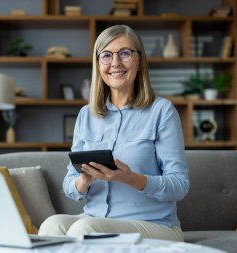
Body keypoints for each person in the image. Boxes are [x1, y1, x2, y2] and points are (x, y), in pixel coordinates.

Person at [38, 25, 190, 241]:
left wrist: (131, 178)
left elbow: (180, 186)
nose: (115, 63)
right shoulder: (86, 115)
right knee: (51, 226)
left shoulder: (162, 111)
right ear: (98, 64)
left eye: (125, 53)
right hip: (94, 217)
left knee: (85, 230)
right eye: (106, 55)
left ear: (139, 60)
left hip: (154, 225)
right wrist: (84, 181)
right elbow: (69, 184)